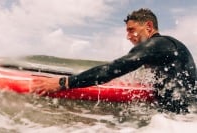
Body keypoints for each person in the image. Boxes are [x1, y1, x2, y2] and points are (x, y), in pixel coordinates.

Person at [31, 8, 196, 114]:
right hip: (184, 116)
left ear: (148, 26)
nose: (128, 36)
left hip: (178, 121)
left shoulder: (156, 45)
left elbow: (113, 69)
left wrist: (64, 82)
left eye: (132, 30)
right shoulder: (165, 48)